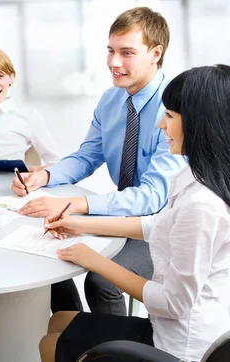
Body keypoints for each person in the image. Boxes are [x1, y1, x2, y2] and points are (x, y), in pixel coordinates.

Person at [38, 64, 230, 362]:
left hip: (179, 346)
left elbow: (172, 303)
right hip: (168, 325)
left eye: (169, 116)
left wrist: (96, 262)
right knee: (58, 321)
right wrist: (82, 225)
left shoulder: (203, 205)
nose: (160, 125)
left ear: (198, 123)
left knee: (50, 345)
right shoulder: (196, 175)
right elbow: (158, 225)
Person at [11, 7, 185, 315]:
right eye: (111, 51)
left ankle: (115, 351)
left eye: (127, 53)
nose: (114, 62)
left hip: (163, 225)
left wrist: (78, 204)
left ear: (155, 53)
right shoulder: (111, 100)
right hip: (124, 214)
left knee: (101, 280)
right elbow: (87, 156)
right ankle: (77, 331)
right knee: (49, 251)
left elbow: (153, 197)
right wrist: (45, 176)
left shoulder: (174, 109)